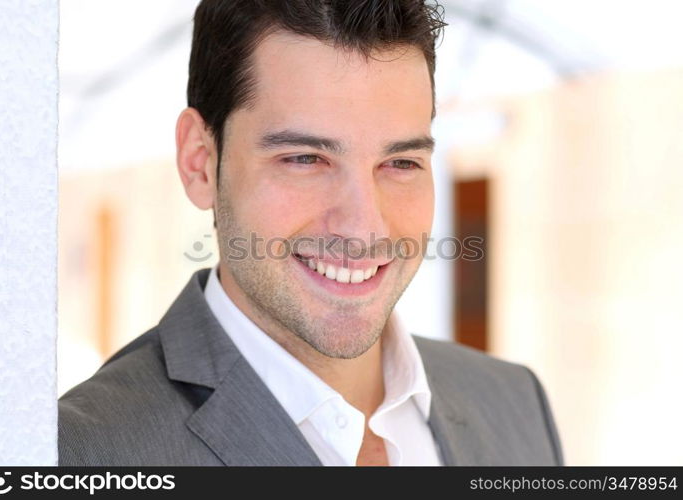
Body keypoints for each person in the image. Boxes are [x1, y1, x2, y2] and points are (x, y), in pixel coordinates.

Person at [58, 0, 564, 466]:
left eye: (401, 162)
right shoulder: (78, 452)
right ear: (199, 162)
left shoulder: (515, 402)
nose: (365, 227)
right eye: (305, 159)